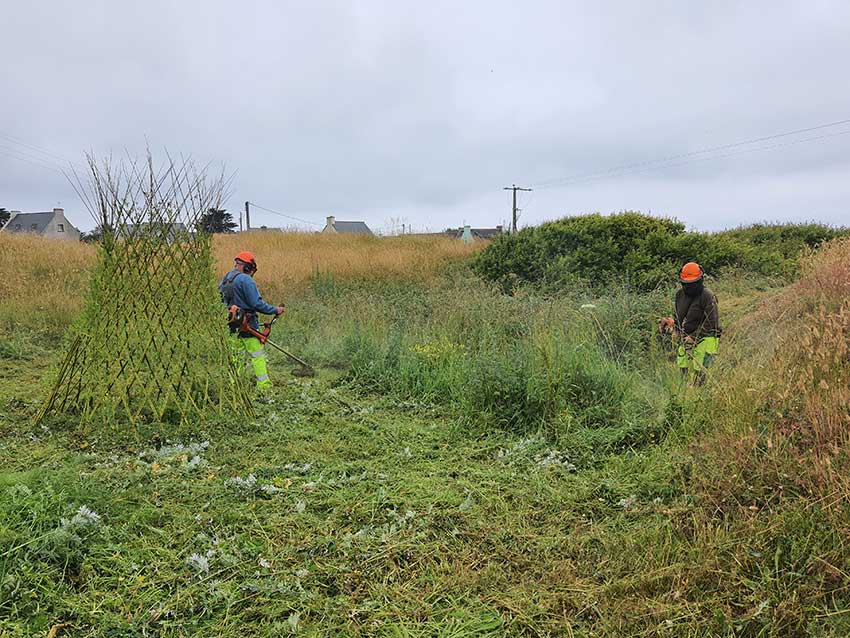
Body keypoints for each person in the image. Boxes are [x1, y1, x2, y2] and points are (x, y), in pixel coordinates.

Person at [219, 251, 284, 391]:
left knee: (236, 355)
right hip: (247, 324)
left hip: (231, 324)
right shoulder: (246, 280)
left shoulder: (225, 279)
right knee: (257, 354)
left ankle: (234, 385)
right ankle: (264, 385)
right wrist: (275, 310)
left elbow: (221, 301)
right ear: (247, 267)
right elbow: (257, 304)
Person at [672, 261, 720, 385]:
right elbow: (677, 314)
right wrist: (677, 330)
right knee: (683, 365)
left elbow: (712, 320)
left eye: (692, 284)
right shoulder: (680, 295)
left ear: (700, 280)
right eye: (686, 284)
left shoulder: (707, 295)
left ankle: (700, 393)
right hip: (685, 335)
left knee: (701, 369)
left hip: (707, 336)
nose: (689, 287)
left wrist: (694, 337)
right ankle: (685, 393)